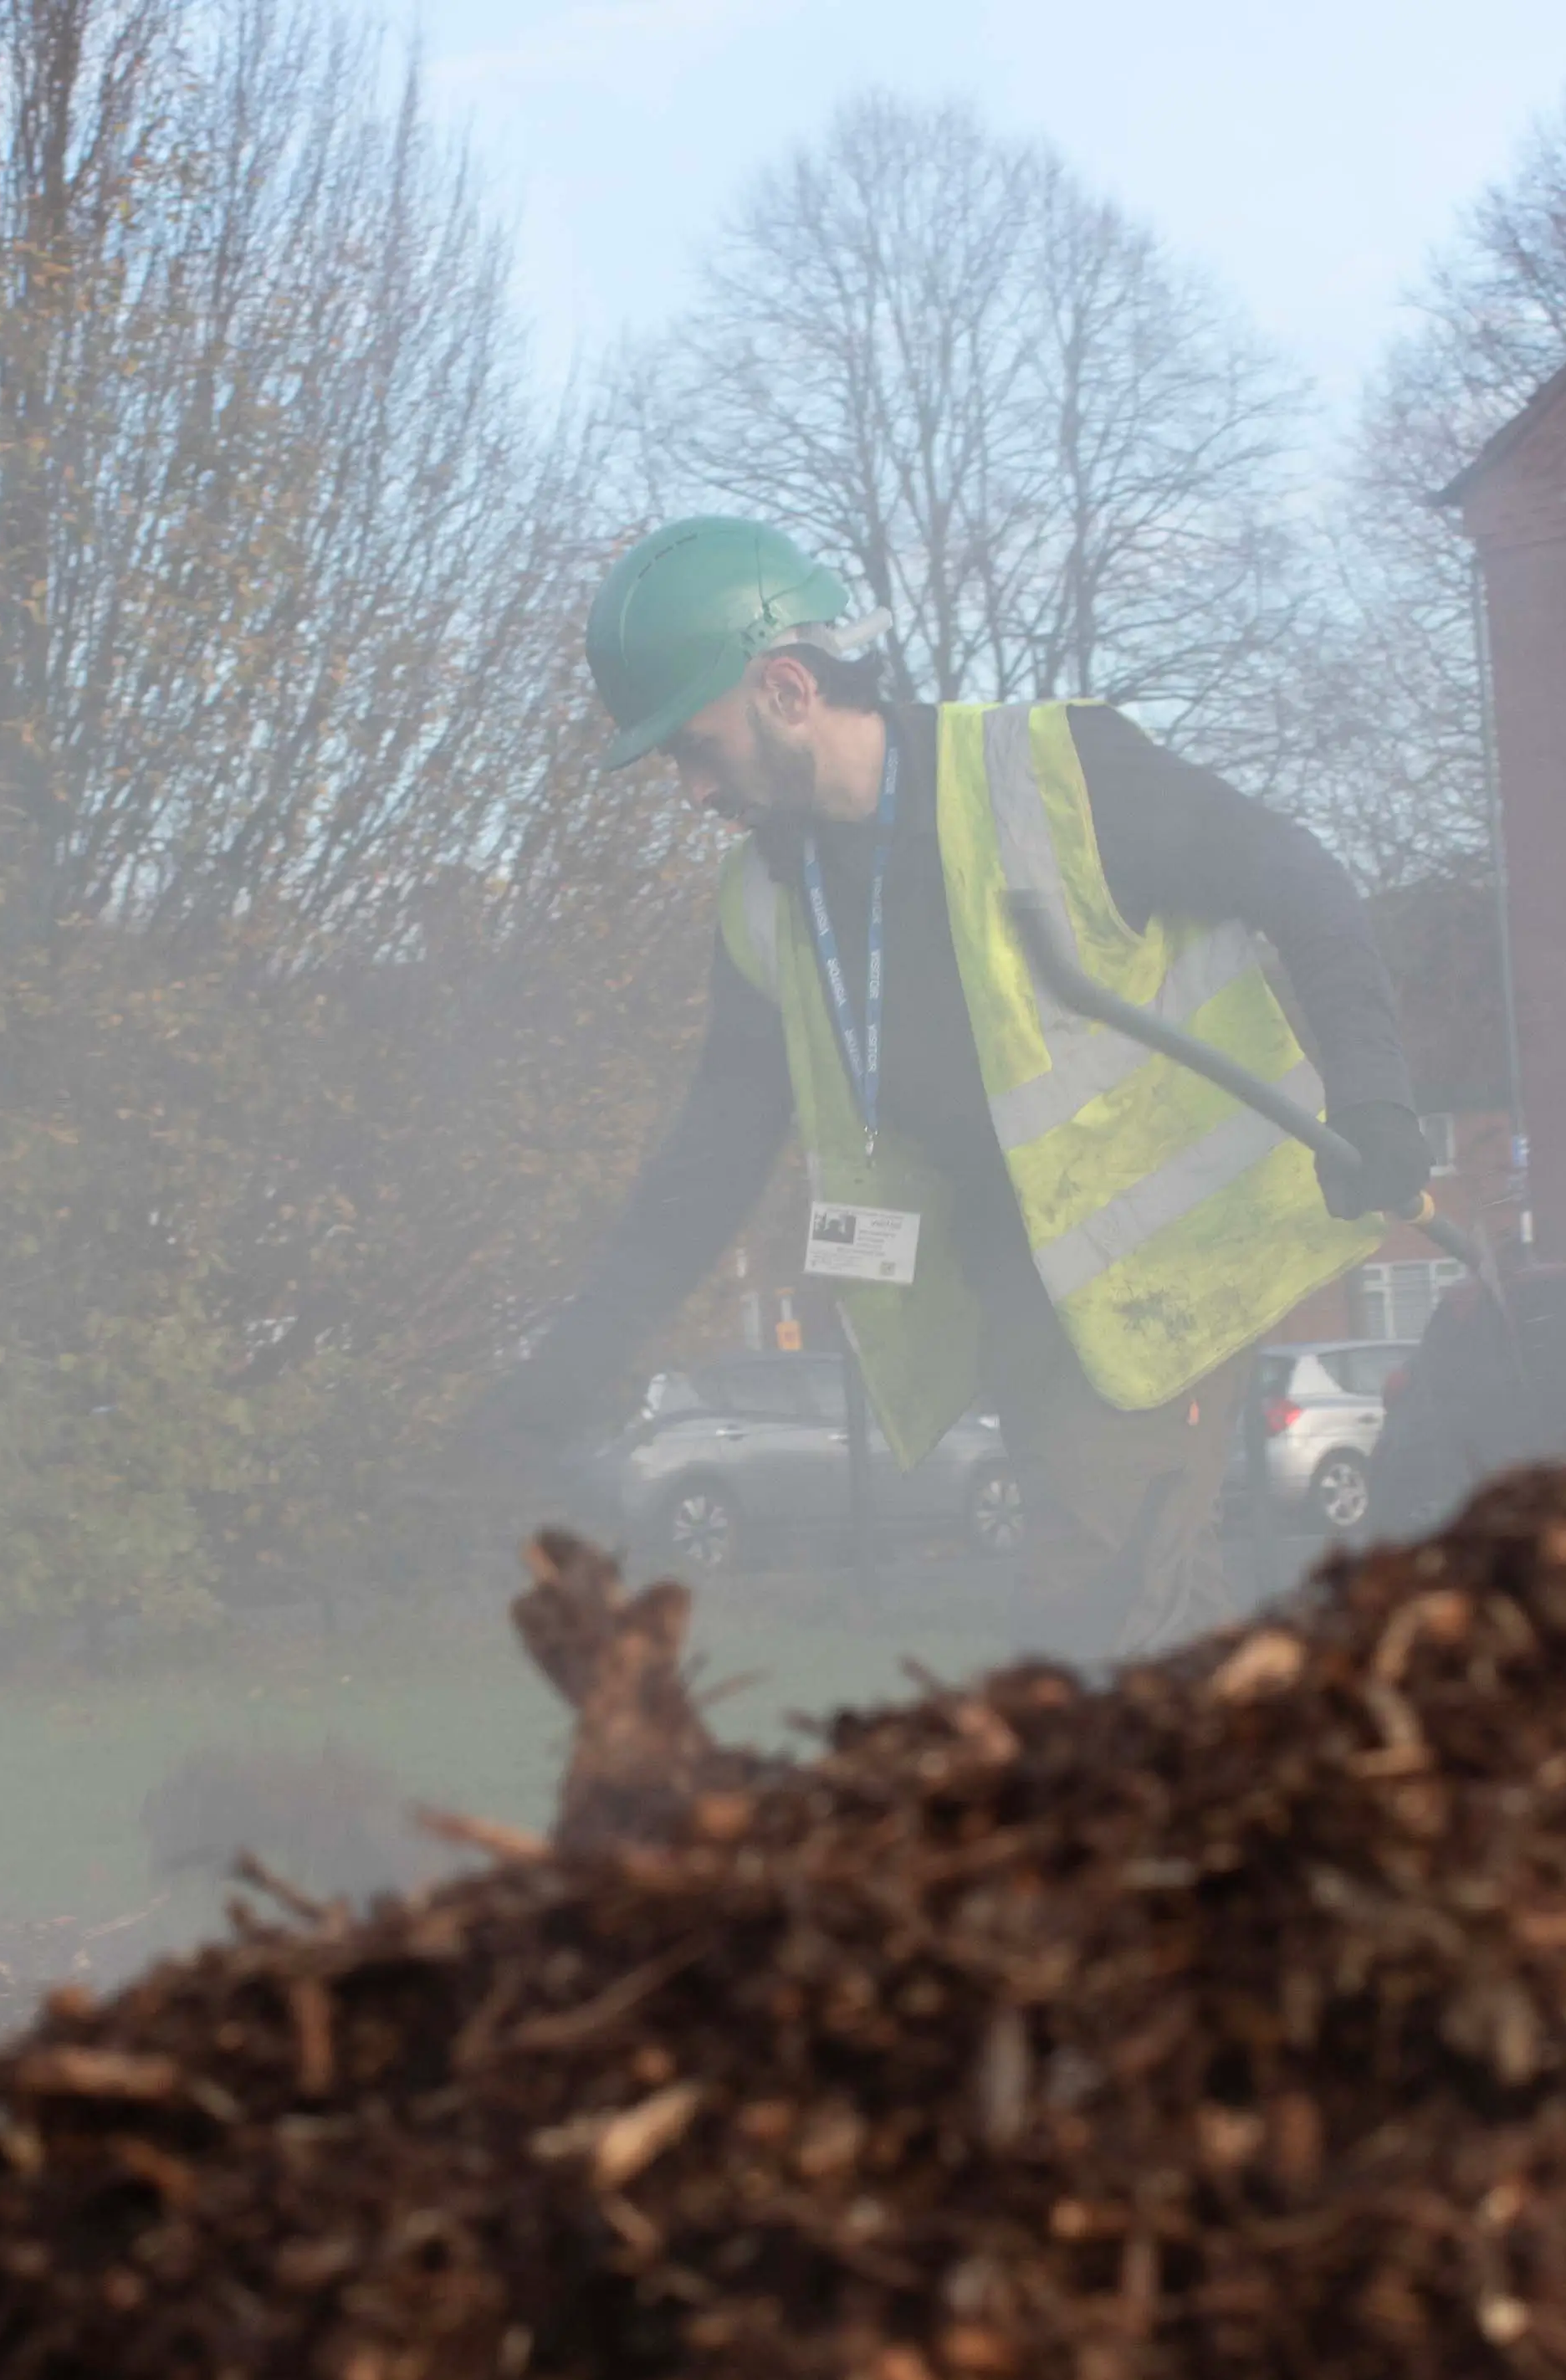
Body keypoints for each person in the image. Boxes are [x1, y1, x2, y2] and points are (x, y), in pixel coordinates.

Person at [488, 516, 1436, 1651]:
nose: (690, 790)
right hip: (1022, 1306)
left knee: (1088, 1623)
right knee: (1167, 1635)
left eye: (694, 746)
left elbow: (1302, 881)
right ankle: (1333, 1806)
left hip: (1168, 1283)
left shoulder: (1055, 775)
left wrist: (1374, 1095)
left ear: (786, 688)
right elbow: (711, 1155)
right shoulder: (764, 904)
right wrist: (574, 1365)